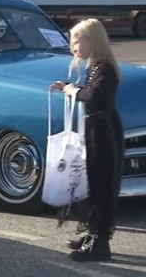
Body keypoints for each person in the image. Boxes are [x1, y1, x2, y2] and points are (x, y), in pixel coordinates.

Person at [50, 18, 125, 262]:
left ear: (92, 42)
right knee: (90, 182)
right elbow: (89, 91)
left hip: (103, 131)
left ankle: (100, 241)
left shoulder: (105, 68)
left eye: (76, 41)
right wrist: (67, 87)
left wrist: (74, 91)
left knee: (102, 184)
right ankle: (92, 232)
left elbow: (96, 97)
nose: (72, 47)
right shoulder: (95, 67)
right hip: (95, 129)